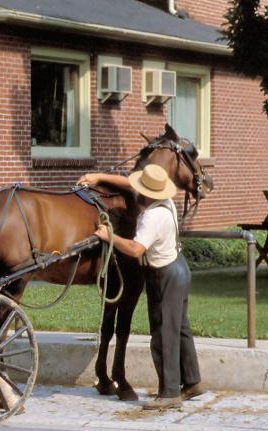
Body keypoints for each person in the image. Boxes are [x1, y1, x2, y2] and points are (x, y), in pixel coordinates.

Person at [78, 164, 204, 410]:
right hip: (180, 267)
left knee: (163, 332)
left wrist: (109, 237)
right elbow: (128, 184)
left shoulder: (151, 217)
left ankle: (169, 394)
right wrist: (99, 177)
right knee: (180, 328)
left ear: (145, 193)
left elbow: (136, 250)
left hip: (163, 275)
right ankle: (192, 382)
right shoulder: (166, 202)